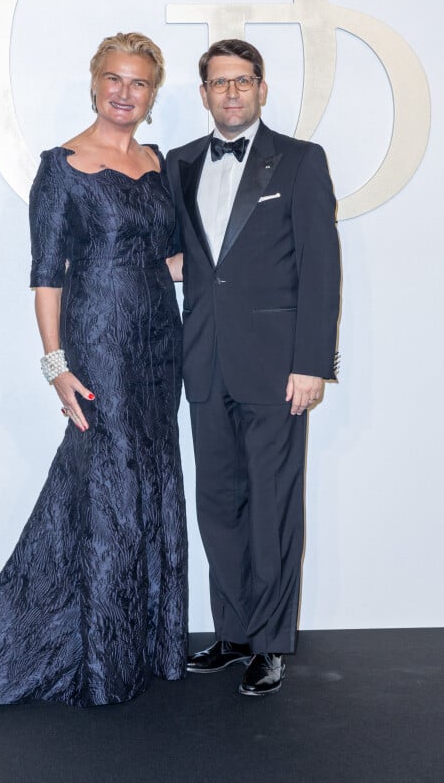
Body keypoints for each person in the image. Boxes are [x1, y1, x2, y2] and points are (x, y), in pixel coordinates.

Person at [0, 32, 188, 708]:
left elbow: (167, 258)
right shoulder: (62, 167)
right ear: (94, 81)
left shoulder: (159, 163)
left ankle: (143, 641)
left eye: (138, 83)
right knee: (108, 481)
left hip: (161, 342)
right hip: (99, 338)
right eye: (114, 78)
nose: (124, 93)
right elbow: (47, 277)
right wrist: (56, 366)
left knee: (152, 476)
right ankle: (99, 655)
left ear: (152, 93)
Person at [166, 38, 340, 697]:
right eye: (219, 83)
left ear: (262, 89)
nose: (232, 93)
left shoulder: (299, 161)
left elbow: (321, 268)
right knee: (219, 507)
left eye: (243, 82)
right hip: (203, 365)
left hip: (277, 370)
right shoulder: (179, 163)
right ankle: (234, 631)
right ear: (204, 92)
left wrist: (311, 363)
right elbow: (185, 258)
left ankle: (270, 643)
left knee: (272, 510)